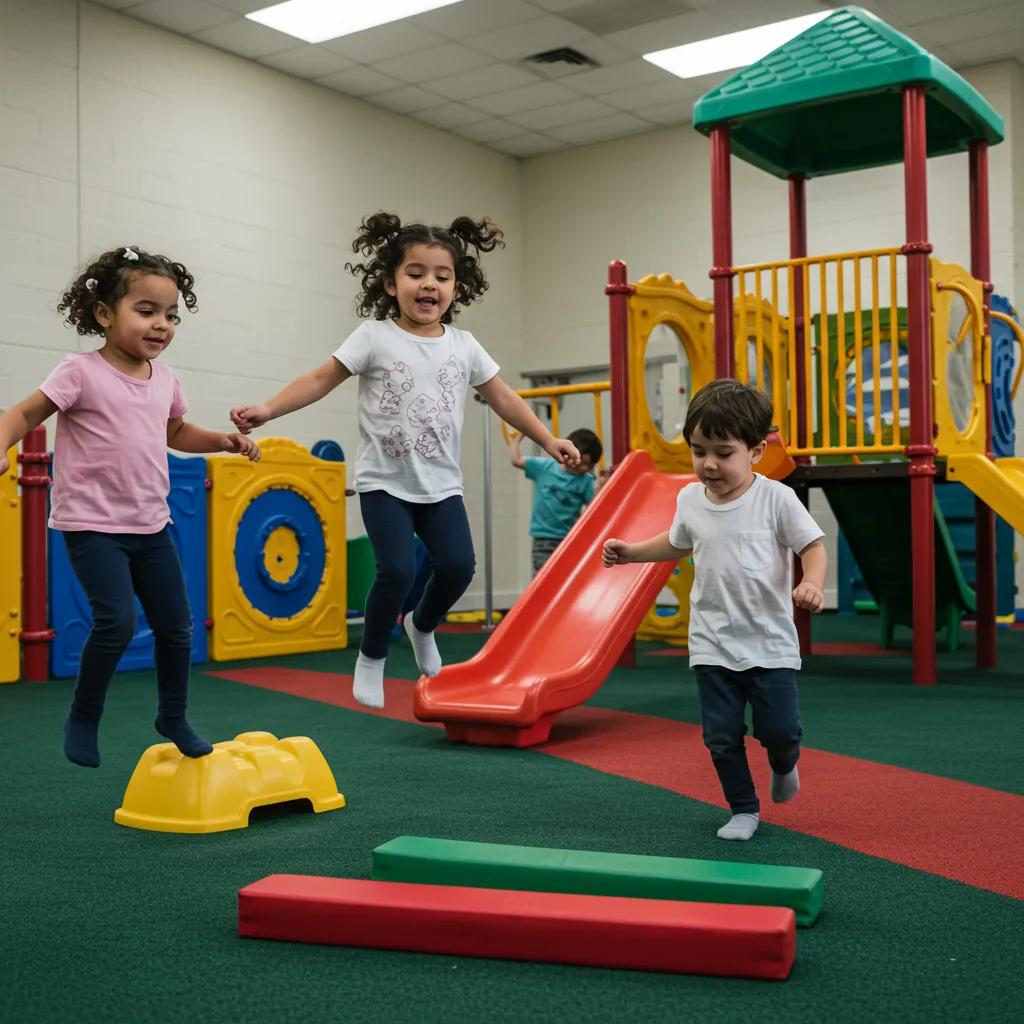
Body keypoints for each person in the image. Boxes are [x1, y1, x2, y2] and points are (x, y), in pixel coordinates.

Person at [229, 212, 580, 709]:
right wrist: (268, 409)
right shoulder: (374, 336)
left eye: (442, 275)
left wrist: (547, 439)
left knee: (458, 567)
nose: (429, 284)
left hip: (440, 484)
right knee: (395, 571)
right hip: (384, 482)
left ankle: (421, 624)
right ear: (391, 283)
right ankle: (371, 657)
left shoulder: (464, 346)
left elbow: (505, 398)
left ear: (457, 286)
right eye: (415, 273)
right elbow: (319, 379)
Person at [0, 246, 260, 768]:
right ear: (104, 313)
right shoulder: (80, 372)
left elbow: (176, 432)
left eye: (170, 315)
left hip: (150, 525)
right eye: (146, 311)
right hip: (92, 525)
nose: (161, 325)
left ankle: (173, 714)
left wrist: (222, 441)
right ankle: (84, 713)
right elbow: (27, 411)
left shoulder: (165, 380)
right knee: (115, 622)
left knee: (176, 624)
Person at [602, 379, 826, 841]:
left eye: (723, 453)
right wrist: (632, 553)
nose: (708, 464)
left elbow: (813, 546)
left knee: (780, 731)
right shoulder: (689, 499)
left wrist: (811, 583)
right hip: (712, 643)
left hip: (769, 643)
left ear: (756, 452)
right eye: (699, 450)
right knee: (721, 737)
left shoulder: (775, 499)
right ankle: (743, 808)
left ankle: (785, 765)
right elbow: (676, 542)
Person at [509, 426, 605, 573]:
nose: (584, 468)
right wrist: (515, 441)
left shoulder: (586, 481)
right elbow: (516, 460)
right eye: (581, 462)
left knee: (566, 578)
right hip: (543, 538)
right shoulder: (545, 468)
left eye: (590, 465)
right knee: (543, 577)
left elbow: (593, 509)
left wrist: (599, 486)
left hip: (570, 540)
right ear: (568, 454)